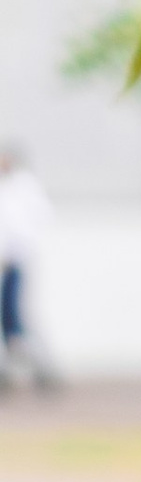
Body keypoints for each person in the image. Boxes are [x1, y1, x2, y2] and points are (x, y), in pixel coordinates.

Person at [0, 146, 55, 391]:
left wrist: (14, 250)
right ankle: (11, 370)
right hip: (7, 260)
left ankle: (41, 368)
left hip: (16, 260)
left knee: (14, 317)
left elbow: (27, 223)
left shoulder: (23, 187)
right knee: (9, 319)